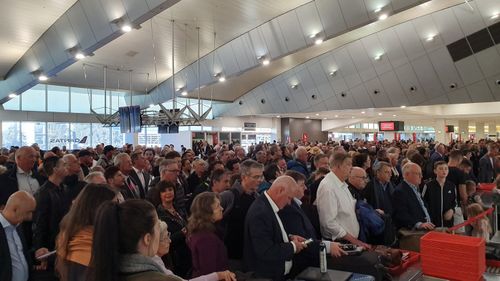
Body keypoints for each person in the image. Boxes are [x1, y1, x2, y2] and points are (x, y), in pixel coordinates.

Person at [243, 176, 306, 280]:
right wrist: (293, 247)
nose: (289, 203)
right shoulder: (260, 212)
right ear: (280, 190)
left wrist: (289, 237)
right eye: (289, 198)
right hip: (265, 276)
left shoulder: (267, 206)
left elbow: (269, 234)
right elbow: (265, 251)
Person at [55, 184, 116, 281]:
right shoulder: (87, 247)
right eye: (113, 206)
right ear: (97, 210)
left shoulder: (70, 236)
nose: (117, 211)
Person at [315, 153, 370, 249]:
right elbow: (328, 223)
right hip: (339, 243)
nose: (351, 168)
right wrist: (354, 240)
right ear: (338, 166)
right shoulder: (328, 187)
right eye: (348, 164)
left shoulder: (342, 184)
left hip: (349, 241)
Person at [33, 156, 72, 279]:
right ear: (55, 169)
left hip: (63, 241)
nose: (67, 167)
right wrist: (41, 250)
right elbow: (40, 224)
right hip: (51, 246)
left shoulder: (63, 188)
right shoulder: (43, 193)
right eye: (63, 165)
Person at [220, 159, 263, 260]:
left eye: (261, 176)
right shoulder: (228, 196)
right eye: (256, 177)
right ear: (244, 177)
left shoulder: (258, 197)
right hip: (231, 255)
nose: (260, 180)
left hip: (250, 253)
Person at [187, 192, 229, 277]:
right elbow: (209, 274)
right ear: (207, 212)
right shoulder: (206, 239)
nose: (222, 208)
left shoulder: (202, 231)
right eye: (218, 206)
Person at [156, 181, 191, 278]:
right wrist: (182, 232)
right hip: (175, 257)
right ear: (159, 195)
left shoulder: (179, 208)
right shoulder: (159, 215)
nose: (168, 193)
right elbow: (162, 239)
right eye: (164, 191)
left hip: (187, 251)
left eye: (170, 190)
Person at [0, 191, 38, 281]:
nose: (30, 217)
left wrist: (36, 254)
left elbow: (20, 254)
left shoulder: (18, 227)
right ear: (15, 209)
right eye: (28, 212)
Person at [392, 163, 435, 231]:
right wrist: (419, 224)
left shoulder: (414, 188)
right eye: (418, 174)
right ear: (406, 175)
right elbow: (401, 215)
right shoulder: (400, 191)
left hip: (426, 228)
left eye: (421, 173)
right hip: (413, 232)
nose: (421, 176)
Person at [422, 161, 456, 228]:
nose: (444, 171)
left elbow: (455, 202)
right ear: (435, 171)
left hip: (448, 223)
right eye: (441, 168)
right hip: (433, 223)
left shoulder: (452, 186)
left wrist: (452, 210)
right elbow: (423, 203)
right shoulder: (428, 186)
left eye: (446, 168)